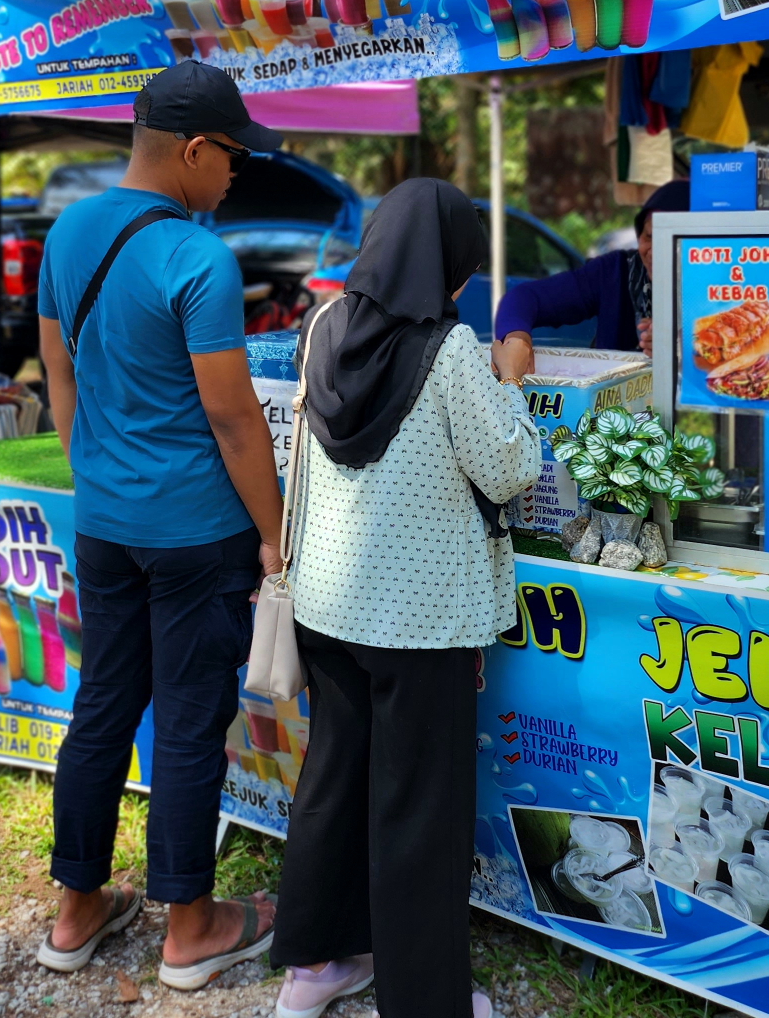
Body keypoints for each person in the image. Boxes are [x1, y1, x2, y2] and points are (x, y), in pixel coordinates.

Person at [34, 61, 287, 991]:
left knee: (101, 706)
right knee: (186, 723)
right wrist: (274, 530)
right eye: (232, 158)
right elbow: (232, 418)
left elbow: (58, 374)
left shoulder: (68, 230)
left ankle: (76, 911)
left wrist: (95, 470)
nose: (235, 176)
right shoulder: (197, 258)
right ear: (191, 150)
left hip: (104, 525)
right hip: (194, 536)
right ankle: (191, 928)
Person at [271, 178, 541, 1018]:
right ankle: (426, 1001)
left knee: (334, 780)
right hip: (420, 618)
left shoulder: (320, 325)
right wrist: (516, 386)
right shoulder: (451, 348)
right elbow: (507, 467)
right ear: (446, 260)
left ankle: (315, 968)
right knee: (419, 808)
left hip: (327, 603)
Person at [490, 177, 689, 379]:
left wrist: (681, 350)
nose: (655, 251)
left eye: (670, 238)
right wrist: (517, 339)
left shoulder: (715, 289)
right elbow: (522, 299)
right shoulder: (614, 272)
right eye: (649, 236)